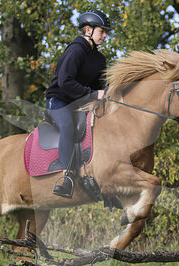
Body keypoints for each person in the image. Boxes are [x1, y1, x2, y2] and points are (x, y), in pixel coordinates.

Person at [45, 10, 110, 198]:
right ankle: (66, 177)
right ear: (88, 29)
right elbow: (65, 82)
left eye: (106, 32)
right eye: (102, 31)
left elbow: (100, 87)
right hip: (59, 100)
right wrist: (92, 94)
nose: (105, 36)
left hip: (80, 102)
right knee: (68, 126)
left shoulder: (99, 59)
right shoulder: (76, 50)